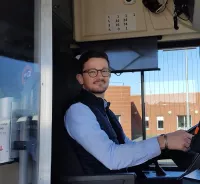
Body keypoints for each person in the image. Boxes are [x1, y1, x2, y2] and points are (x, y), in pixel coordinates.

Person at [64, 50, 194, 176]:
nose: (100, 76)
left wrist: (168, 143)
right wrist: (163, 141)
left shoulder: (104, 110)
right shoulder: (78, 111)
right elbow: (112, 157)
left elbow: (128, 146)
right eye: (92, 72)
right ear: (80, 78)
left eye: (104, 71)